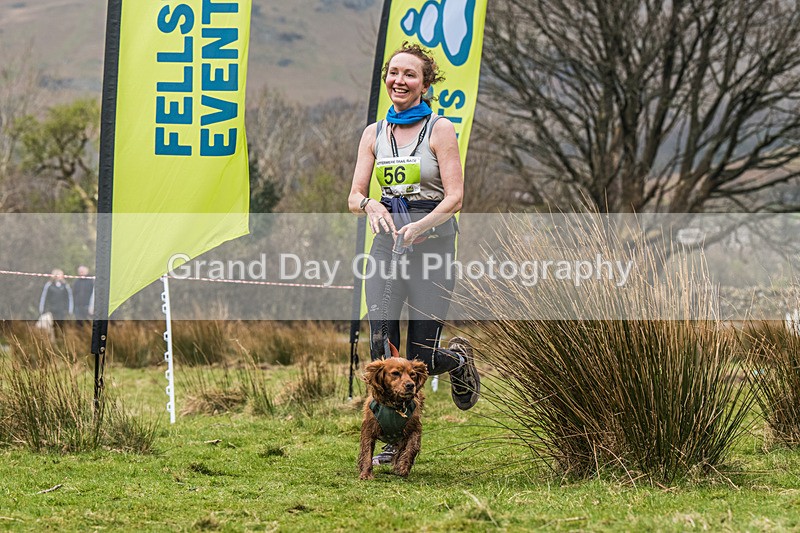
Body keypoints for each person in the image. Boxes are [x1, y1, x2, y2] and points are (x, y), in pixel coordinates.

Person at [348, 42, 480, 464]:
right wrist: (369, 205)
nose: (399, 81)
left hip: (432, 243)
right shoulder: (374, 133)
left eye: (409, 75)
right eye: (394, 73)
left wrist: (422, 226)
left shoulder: (440, 130)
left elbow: (455, 197)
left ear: (424, 84)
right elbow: (354, 194)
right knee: (381, 350)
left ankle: (456, 360)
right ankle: (392, 440)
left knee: (419, 359)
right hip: (387, 243)